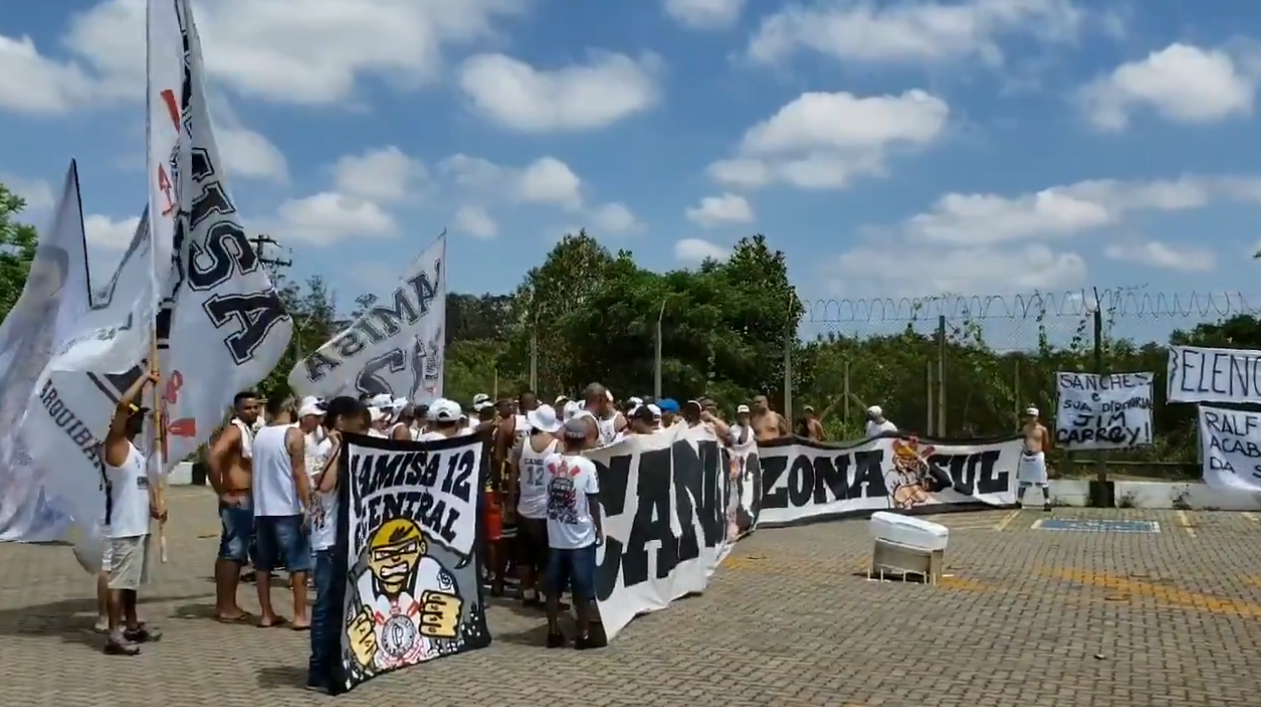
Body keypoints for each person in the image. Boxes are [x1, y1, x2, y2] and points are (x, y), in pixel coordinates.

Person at [307, 396, 368, 692]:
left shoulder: (341, 449)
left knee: (338, 608)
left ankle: (335, 663)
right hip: (328, 541)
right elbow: (325, 485)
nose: (363, 429)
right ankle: (319, 668)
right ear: (341, 421)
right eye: (359, 423)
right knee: (326, 608)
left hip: (341, 540)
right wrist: (338, 448)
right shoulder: (326, 450)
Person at [101, 369, 164, 655]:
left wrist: (153, 505)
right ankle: (114, 635)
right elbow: (123, 404)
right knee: (119, 582)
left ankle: (132, 625)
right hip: (124, 527)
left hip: (139, 525)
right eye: (138, 416)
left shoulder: (135, 451)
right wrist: (145, 379)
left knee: (130, 582)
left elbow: (141, 483)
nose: (141, 420)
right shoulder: (115, 445)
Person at [543, 414, 604, 649]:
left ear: (565, 438)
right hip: (581, 538)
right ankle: (583, 635)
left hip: (555, 537)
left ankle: (553, 632)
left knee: (553, 590)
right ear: (585, 439)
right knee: (582, 590)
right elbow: (593, 501)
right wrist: (599, 528)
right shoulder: (587, 466)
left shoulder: (549, 462)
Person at [252, 397, 313, 629]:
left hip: (263, 508)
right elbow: (299, 472)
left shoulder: (260, 434)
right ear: (289, 407)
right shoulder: (293, 434)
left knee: (263, 564)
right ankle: (299, 615)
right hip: (287, 508)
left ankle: (266, 613)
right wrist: (308, 505)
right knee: (298, 564)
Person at [208, 390, 260, 623]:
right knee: (233, 552)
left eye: (255, 407)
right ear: (237, 410)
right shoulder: (235, 430)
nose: (253, 411)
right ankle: (226, 607)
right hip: (237, 498)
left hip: (244, 497)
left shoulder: (246, 431)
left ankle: (226, 604)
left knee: (232, 552)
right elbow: (213, 456)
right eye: (247, 408)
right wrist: (221, 492)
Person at [516, 403, 562, 608]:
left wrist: (511, 503)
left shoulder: (522, 443)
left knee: (524, 555)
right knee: (546, 555)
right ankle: (544, 594)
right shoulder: (557, 446)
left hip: (524, 506)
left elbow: (513, 474)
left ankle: (528, 592)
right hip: (546, 510)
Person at [1017, 406, 1053, 512]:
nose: (1030, 418)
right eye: (1029, 416)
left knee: (1042, 480)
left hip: (1037, 455)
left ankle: (1047, 501)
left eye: (1032, 416)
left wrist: (1045, 454)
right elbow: (1021, 441)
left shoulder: (1042, 429)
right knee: (1023, 480)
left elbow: (1046, 443)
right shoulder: (1025, 428)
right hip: (1026, 455)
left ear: (1037, 417)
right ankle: (1019, 501)